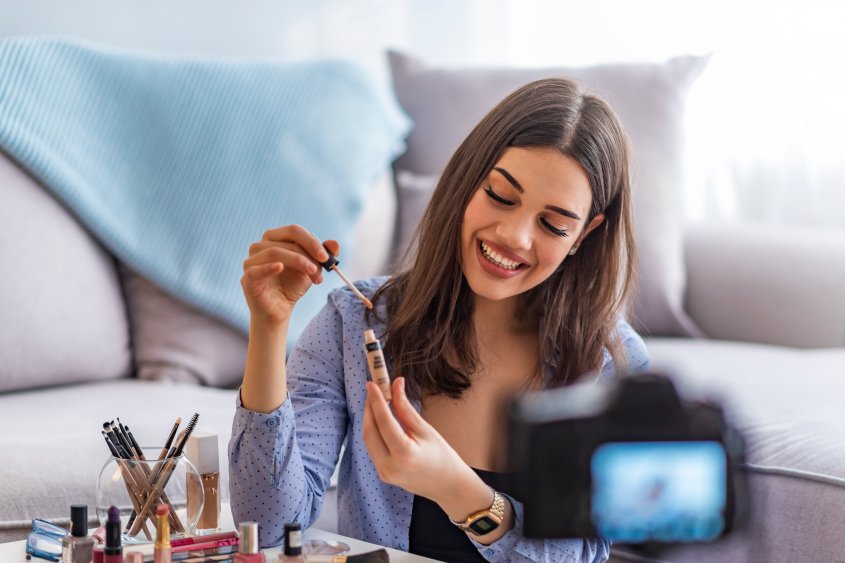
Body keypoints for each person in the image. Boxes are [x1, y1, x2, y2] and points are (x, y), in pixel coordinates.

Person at [229, 78, 650, 562]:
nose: (514, 235)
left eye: (554, 224)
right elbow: (265, 528)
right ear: (468, 179)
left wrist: (456, 490)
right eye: (500, 195)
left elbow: (581, 553)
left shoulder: (612, 364)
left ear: (584, 234)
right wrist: (269, 326)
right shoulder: (352, 323)